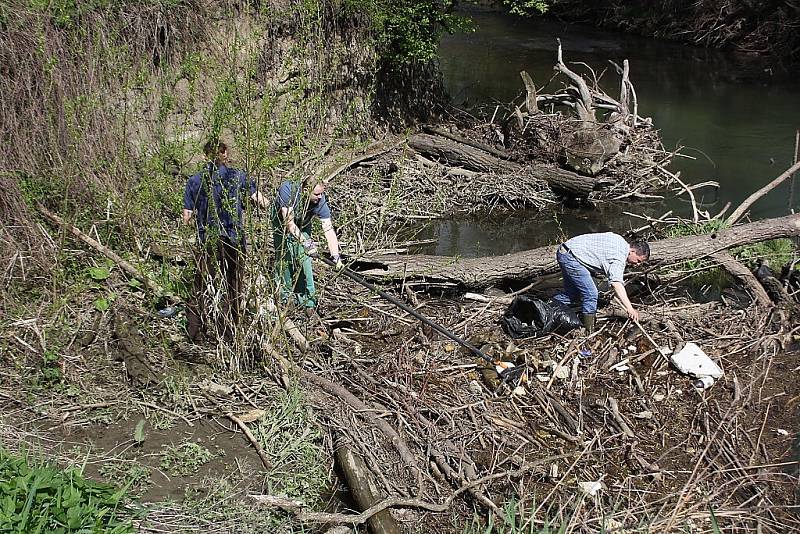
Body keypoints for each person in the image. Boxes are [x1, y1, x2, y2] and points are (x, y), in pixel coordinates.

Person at [182, 139, 268, 340]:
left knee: (200, 284)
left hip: (207, 239)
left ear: (205, 156)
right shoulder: (238, 177)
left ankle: (195, 332)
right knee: (233, 285)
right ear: (225, 154)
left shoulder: (195, 181)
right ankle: (228, 332)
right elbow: (261, 202)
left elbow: (187, 218)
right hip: (233, 239)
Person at [552, 232, 649, 333]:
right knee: (591, 294)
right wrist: (630, 308)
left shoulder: (619, 240)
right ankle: (588, 331)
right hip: (572, 258)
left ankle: (548, 307)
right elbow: (616, 283)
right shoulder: (619, 258)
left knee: (572, 294)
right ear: (632, 251)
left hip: (565, 250)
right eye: (638, 260)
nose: (637, 265)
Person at [271, 177, 343, 314]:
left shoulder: (321, 202)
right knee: (284, 257)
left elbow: (328, 229)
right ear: (305, 190)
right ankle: (285, 297)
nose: (320, 197)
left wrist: (336, 257)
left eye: (321, 193)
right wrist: (306, 243)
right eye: (316, 194)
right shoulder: (288, 191)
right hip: (282, 222)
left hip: (303, 224)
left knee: (305, 260)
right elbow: (289, 224)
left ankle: (308, 301)